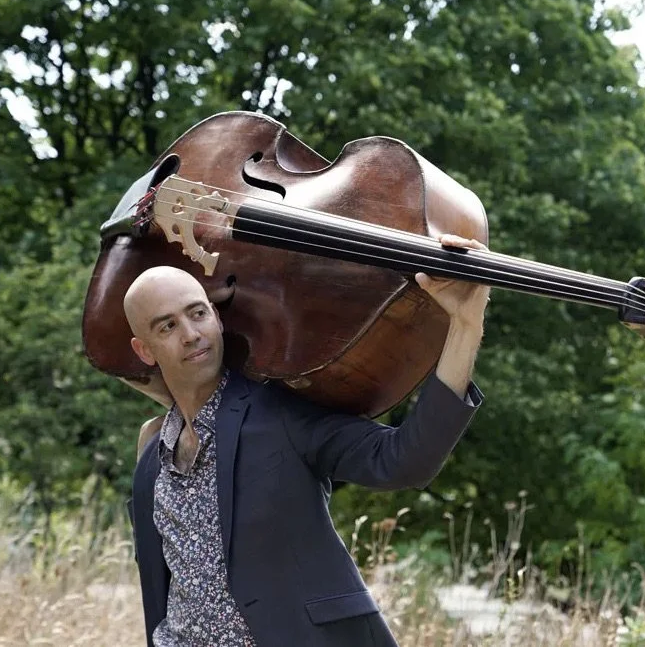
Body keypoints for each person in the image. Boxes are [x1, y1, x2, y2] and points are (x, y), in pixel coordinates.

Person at [123, 233, 490, 647]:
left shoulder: (280, 416)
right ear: (144, 350)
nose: (191, 334)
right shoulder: (151, 461)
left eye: (198, 313)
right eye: (168, 326)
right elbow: (158, 587)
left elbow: (404, 461)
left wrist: (465, 324)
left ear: (218, 317)